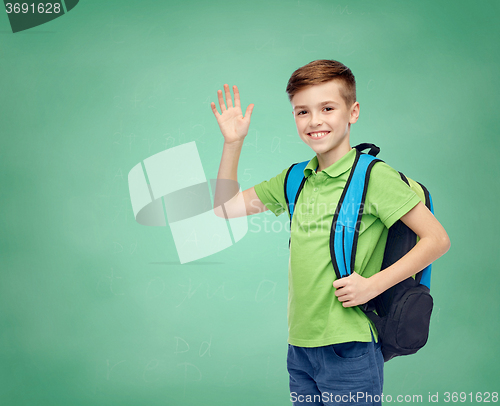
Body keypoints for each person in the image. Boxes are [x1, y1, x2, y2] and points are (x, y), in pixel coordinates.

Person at [211, 59, 450, 406]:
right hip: (300, 349)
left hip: (349, 347)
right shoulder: (295, 178)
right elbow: (225, 207)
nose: (314, 121)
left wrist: (373, 284)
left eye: (327, 108)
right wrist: (233, 143)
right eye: (302, 112)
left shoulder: (374, 177)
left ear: (352, 112)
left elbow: (437, 239)